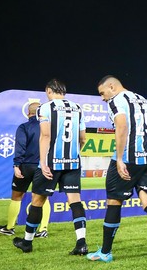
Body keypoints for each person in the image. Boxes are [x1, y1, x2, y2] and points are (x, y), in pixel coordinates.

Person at [91, 76, 147, 264]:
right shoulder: (141, 99)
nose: (102, 98)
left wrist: (119, 159)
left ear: (112, 87)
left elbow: (122, 126)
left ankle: (105, 252)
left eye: (102, 93)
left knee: (114, 201)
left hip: (129, 158)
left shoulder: (115, 101)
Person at [12, 80, 89, 255]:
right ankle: (81, 243)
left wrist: (43, 161)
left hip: (51, 163)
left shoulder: (45, 108)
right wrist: (75, 153)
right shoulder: (77, 108)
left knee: (37, 201)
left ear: (48, 90)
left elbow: (45, 136)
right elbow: (83, 138)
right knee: (75, 201)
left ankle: (27, 242)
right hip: (73, 162)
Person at [0, 102, 52, 237]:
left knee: (16, 196)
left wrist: (16, 165)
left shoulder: (24, 127)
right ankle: (43, 229)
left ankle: (10, 227)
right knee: (42, 197)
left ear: (28, 113)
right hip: (44, 166)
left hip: (26, 166)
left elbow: (20, 146)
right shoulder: (50, 127)